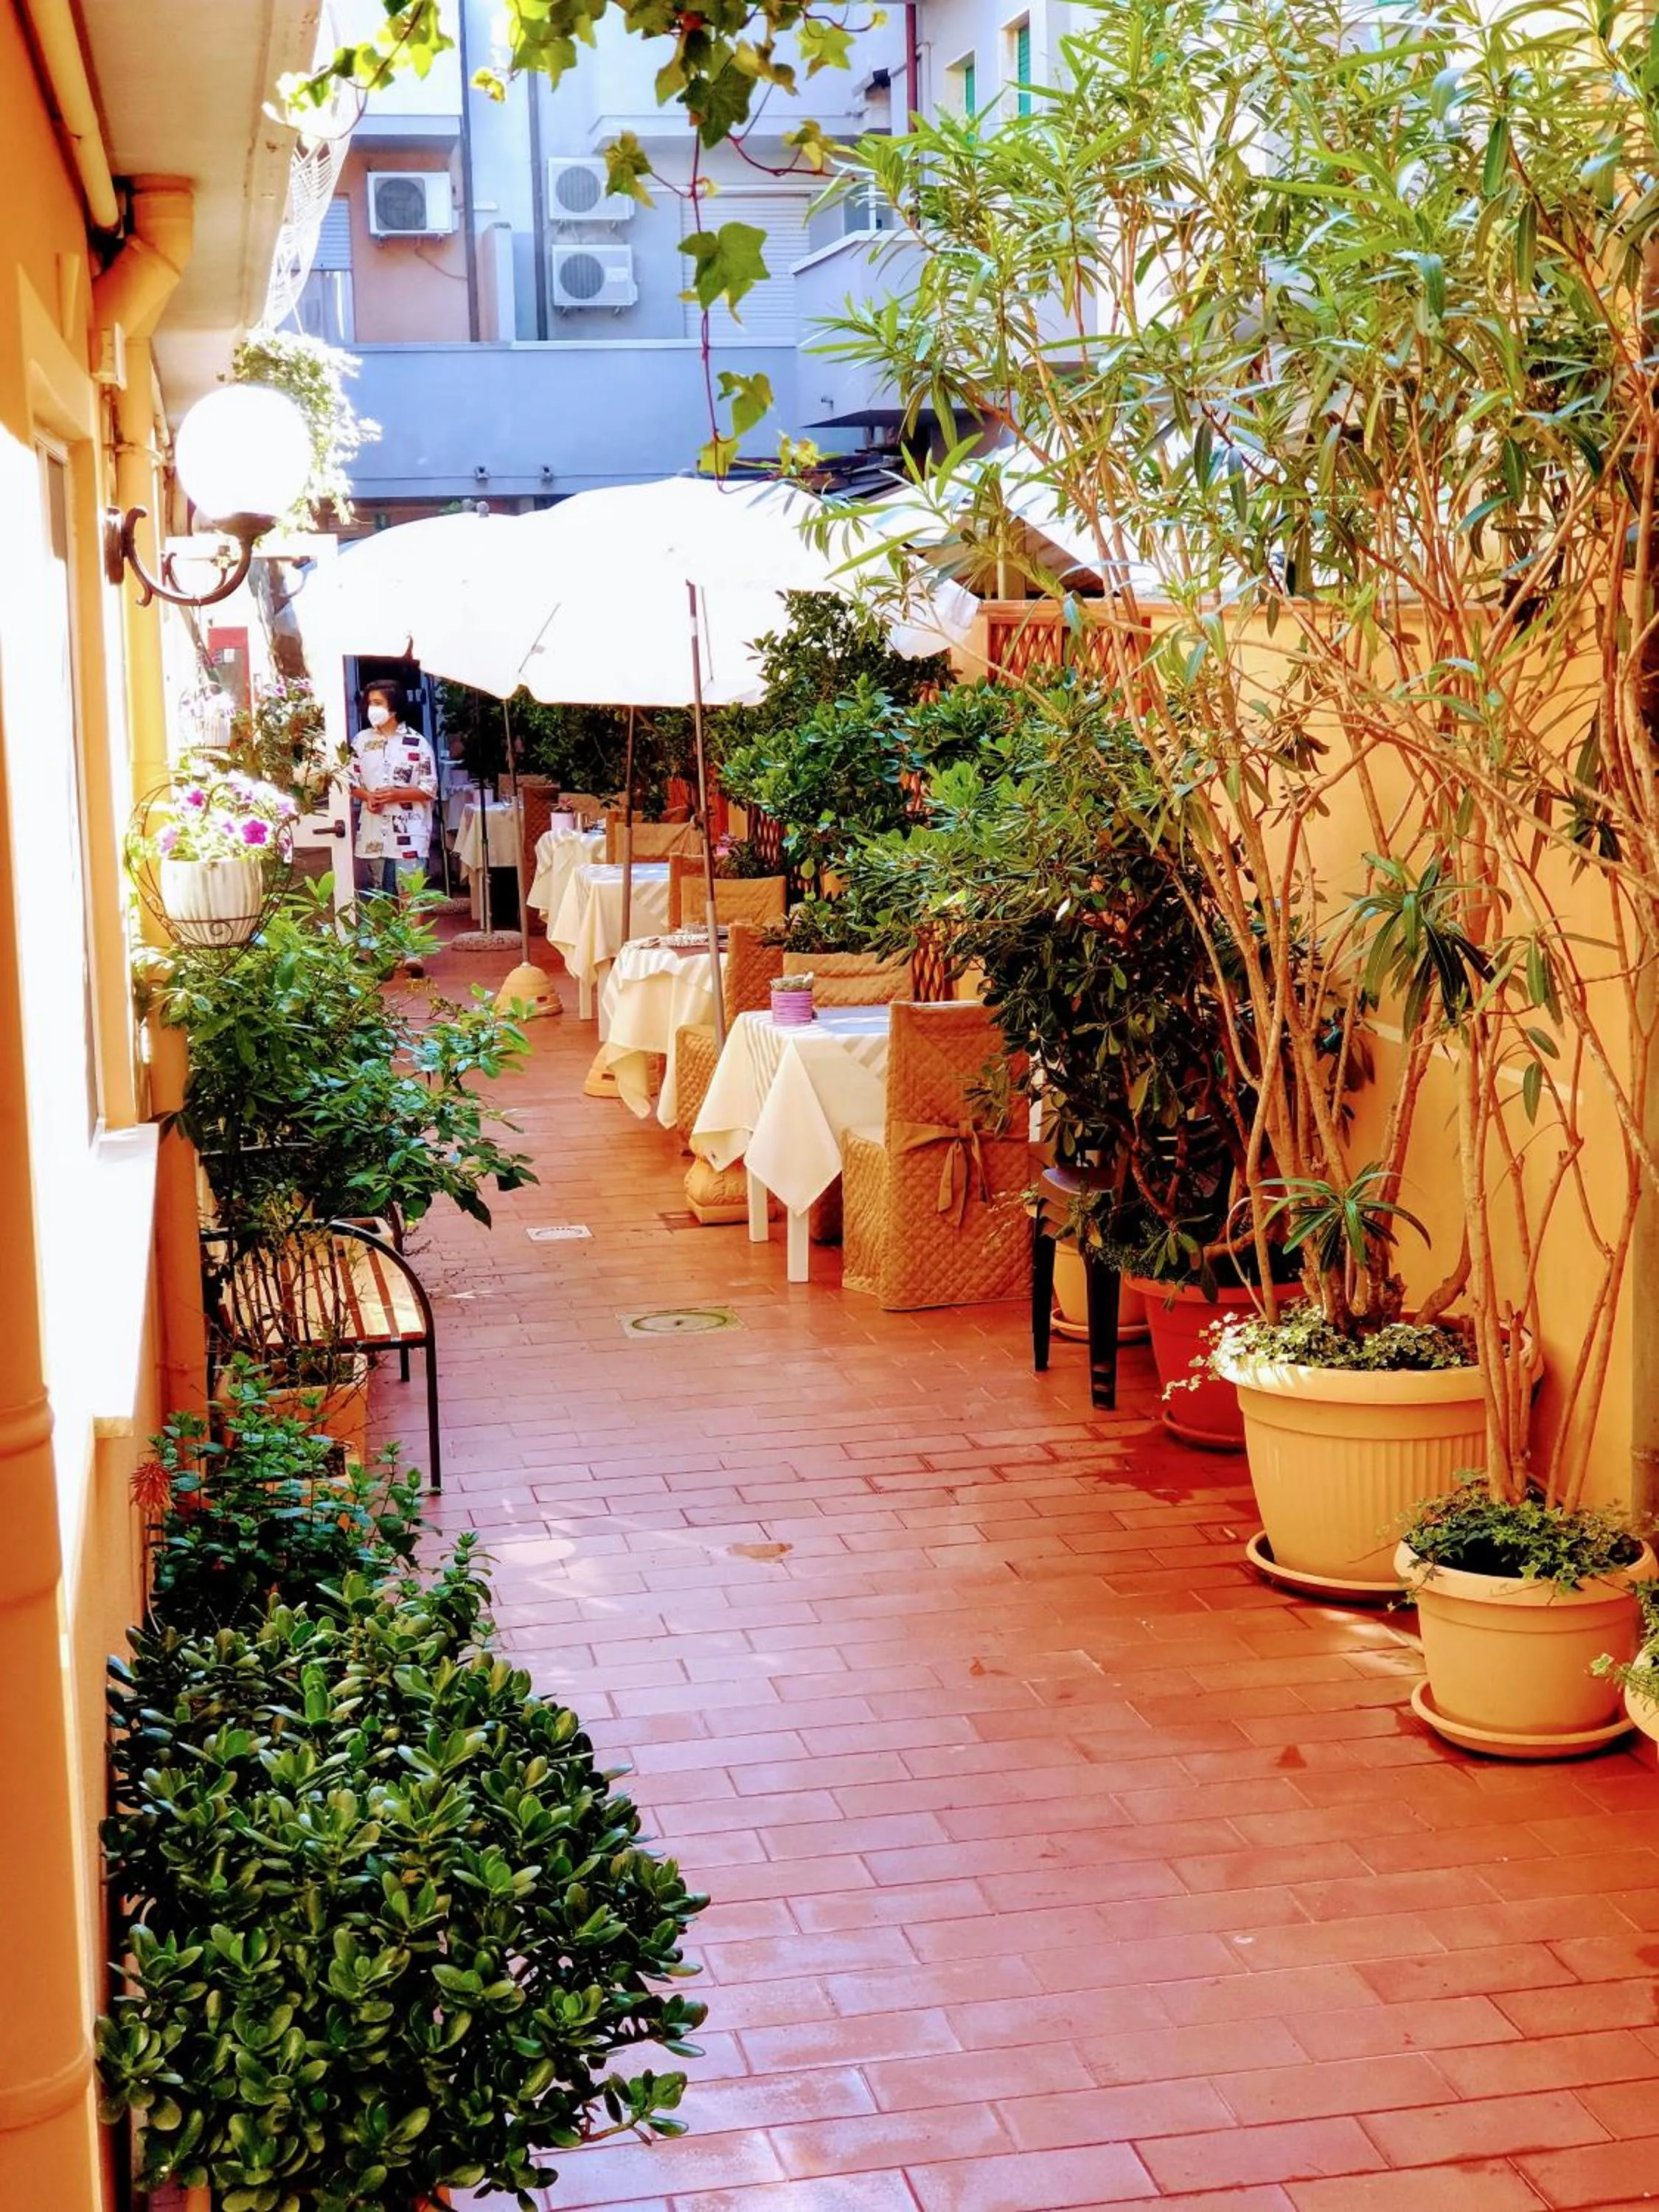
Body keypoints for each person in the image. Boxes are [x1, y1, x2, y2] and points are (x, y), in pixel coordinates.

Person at [350, 680, 438, 973]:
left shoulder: (417, 743)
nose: (372, 709)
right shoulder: (361, 742)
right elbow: (349, 780)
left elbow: (429, 788)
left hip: (410, 829)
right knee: (380, 891)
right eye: (369, 703)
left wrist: (397, 795)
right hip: (374, 829)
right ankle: (385, 949)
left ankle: (412, 951)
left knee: (410, 890)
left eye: (378, 703)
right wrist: (367, 797)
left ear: (394, 706)